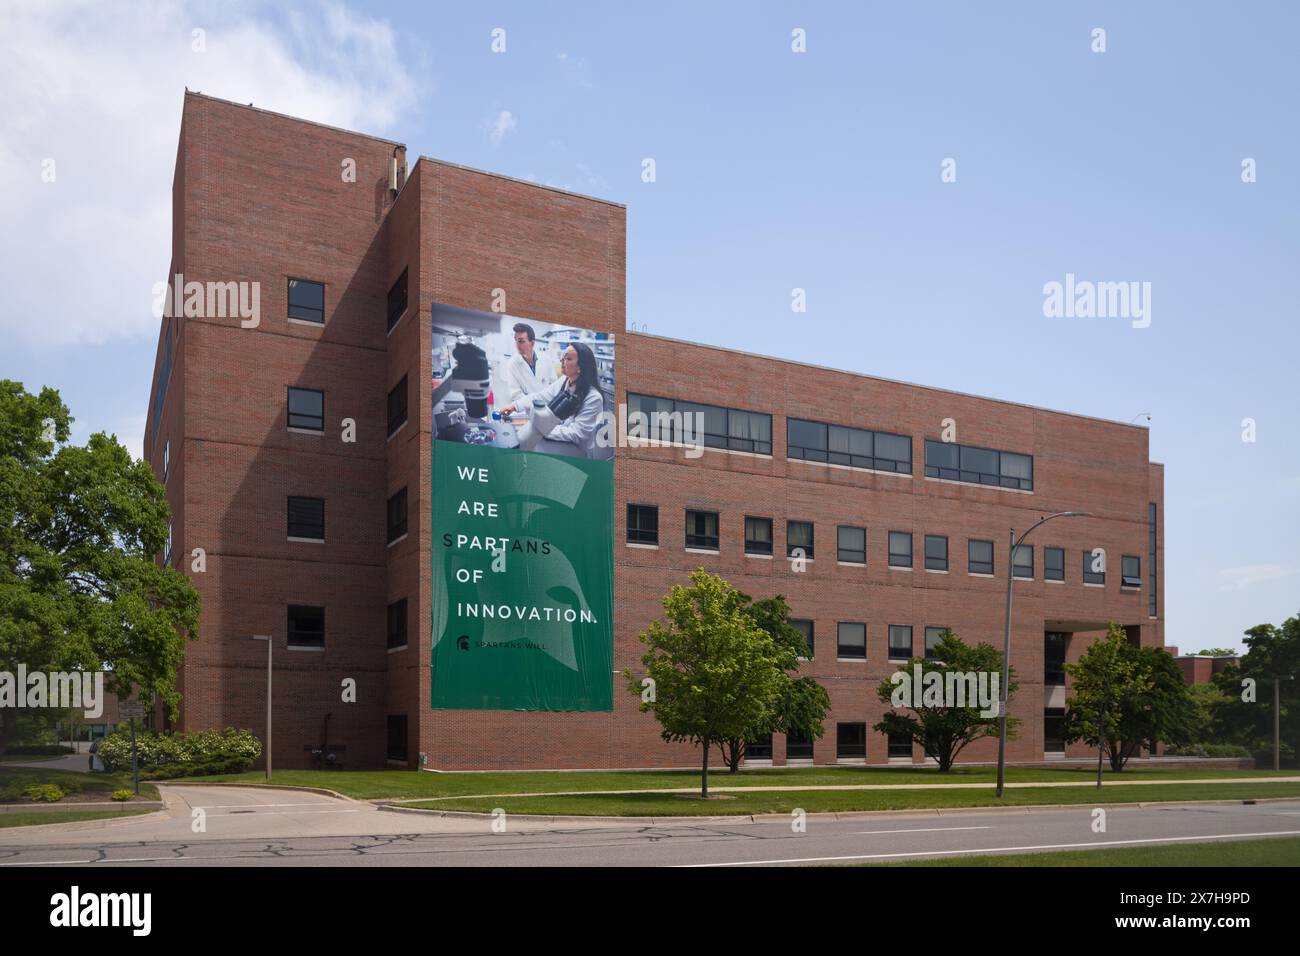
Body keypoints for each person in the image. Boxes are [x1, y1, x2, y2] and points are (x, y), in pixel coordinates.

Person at [500, 342, 604, 457]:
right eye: (563, 357)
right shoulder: (564, 381)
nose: (561, 360)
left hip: (577, 453)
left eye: (568, 358)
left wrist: (543, 428)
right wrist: (515, 406)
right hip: (557, 442)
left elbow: (576, 434)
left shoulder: (593, 398)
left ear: (580, 367)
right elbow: (540, 397)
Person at [504, 323, 558, 406]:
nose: (517, 345)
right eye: (516, 340)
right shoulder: (512, 364)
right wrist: (534, 405)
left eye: (521, 341)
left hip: (548, 407)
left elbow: (554, 386)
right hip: (526, 410)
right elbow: (516, 394)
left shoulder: (546, 359)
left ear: (532, 343)